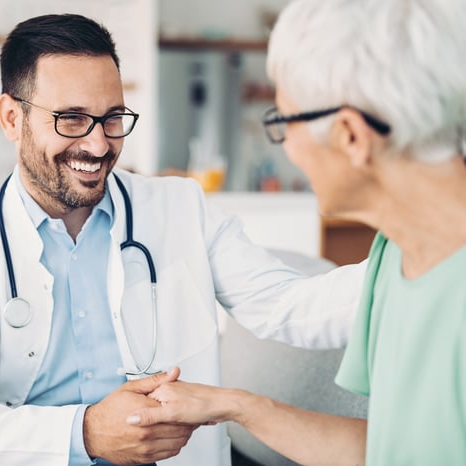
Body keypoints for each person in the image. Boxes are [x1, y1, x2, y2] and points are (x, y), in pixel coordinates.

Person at [0, 13, 366, 466]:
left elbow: (291, 305)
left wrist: (420, 255)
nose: (99, 144)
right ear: (11, 118)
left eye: (112, 118)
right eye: (71, 119)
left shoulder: (182, 209)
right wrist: (85, 434)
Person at [127, 0, 466, 464]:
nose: (288, 148)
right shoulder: (396, 258)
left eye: (285, 121)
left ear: (350, 135)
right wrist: (235, 406)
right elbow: (387, 448)